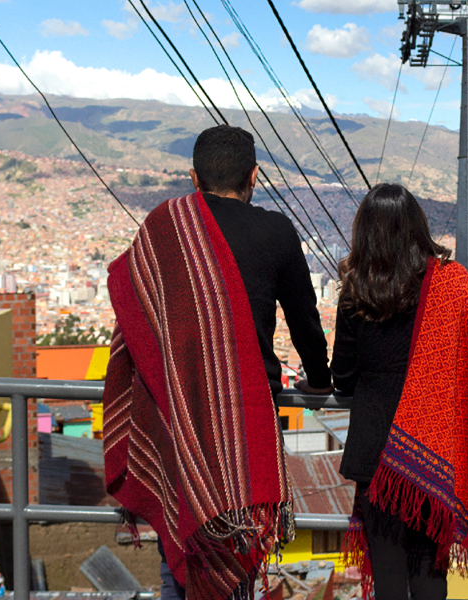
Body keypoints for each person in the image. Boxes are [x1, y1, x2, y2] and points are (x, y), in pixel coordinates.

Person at [103, 124, 332, 600]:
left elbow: (137, 316)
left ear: (193, 177)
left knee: (181, 547)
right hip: (244, 421)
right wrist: (319, 379)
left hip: (176, 412)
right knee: (236, 550)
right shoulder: (277, 232)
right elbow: (306, 323)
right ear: (255, 177)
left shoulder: (163, 225)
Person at [332, 183, 468, 600]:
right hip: (433, 458)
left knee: (389, 586)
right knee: (431, 582)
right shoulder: (452, 284)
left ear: (365, 233)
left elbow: (341, 376)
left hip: (377, 460)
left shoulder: (355, 291)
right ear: (417, 226)